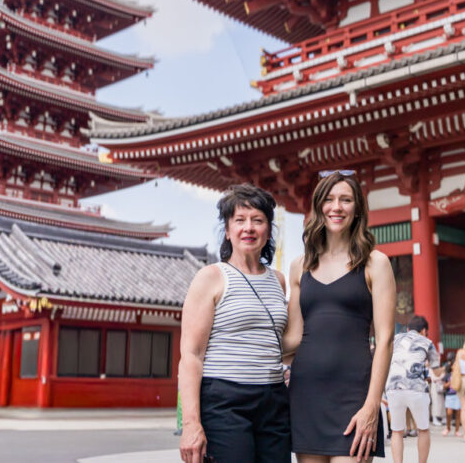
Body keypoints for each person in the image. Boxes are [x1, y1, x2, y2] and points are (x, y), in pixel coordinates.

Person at [284, 170, 396, 462]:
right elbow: (294, 337)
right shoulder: (301, 265)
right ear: (319, 206)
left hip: (354, 396)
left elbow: (384, 339)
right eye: (329, 199)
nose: (337, 207)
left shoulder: (376, 263)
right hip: (306, 394)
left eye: (346, 200)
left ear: (357, 207)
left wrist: (372, 405)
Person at [178, 184, 291, 463]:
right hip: (225, 401)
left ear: (268, 229)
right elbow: (191, 355)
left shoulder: (278, 280)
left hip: (274, 399)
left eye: (258, 220)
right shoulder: (211, 277)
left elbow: (280, 343)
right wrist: (191, 424)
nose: (248, 228)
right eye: (239, 220)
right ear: (228, 231)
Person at [385, 315, 440, 463]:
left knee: (397, 430)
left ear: (408, 329)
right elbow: (436, 369)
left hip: (393, 387)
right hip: (416, 389)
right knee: (423, 429)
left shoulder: (396, 339)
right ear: (424, 330)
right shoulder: (427, 342)